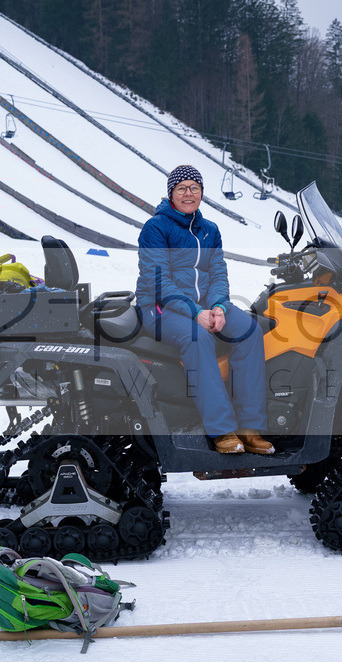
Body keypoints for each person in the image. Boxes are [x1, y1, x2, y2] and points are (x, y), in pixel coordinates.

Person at [136, 165, 274, 455]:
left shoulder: (210, 230)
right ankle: (221, 429)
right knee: (198, 339)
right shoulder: (156, 228)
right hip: (160, 308)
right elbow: (158, 280)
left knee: (250, 331)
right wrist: (195, 312)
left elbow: (218, 274)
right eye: (182, 188)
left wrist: (219, 307)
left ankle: (250, 427)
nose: (189, 193)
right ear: (171, 194)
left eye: (194, 188)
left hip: (205, 306)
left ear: (202, 193)